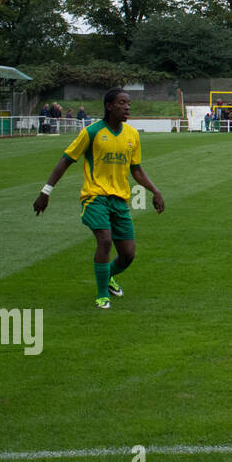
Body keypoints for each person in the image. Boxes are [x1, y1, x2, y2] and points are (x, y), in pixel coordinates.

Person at [32, 89, 165, 309]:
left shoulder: (132, 135)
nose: (127, 107)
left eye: (128, 103)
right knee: (105, 240)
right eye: (122, 103)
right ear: (109, 106)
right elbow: (65, 160)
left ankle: (108, 277)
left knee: (128, 255)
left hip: (119, 200)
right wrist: (45, 192)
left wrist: (155, 191)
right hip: (94, 197)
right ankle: (102, 295)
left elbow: (137, 170)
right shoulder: (92, 133)